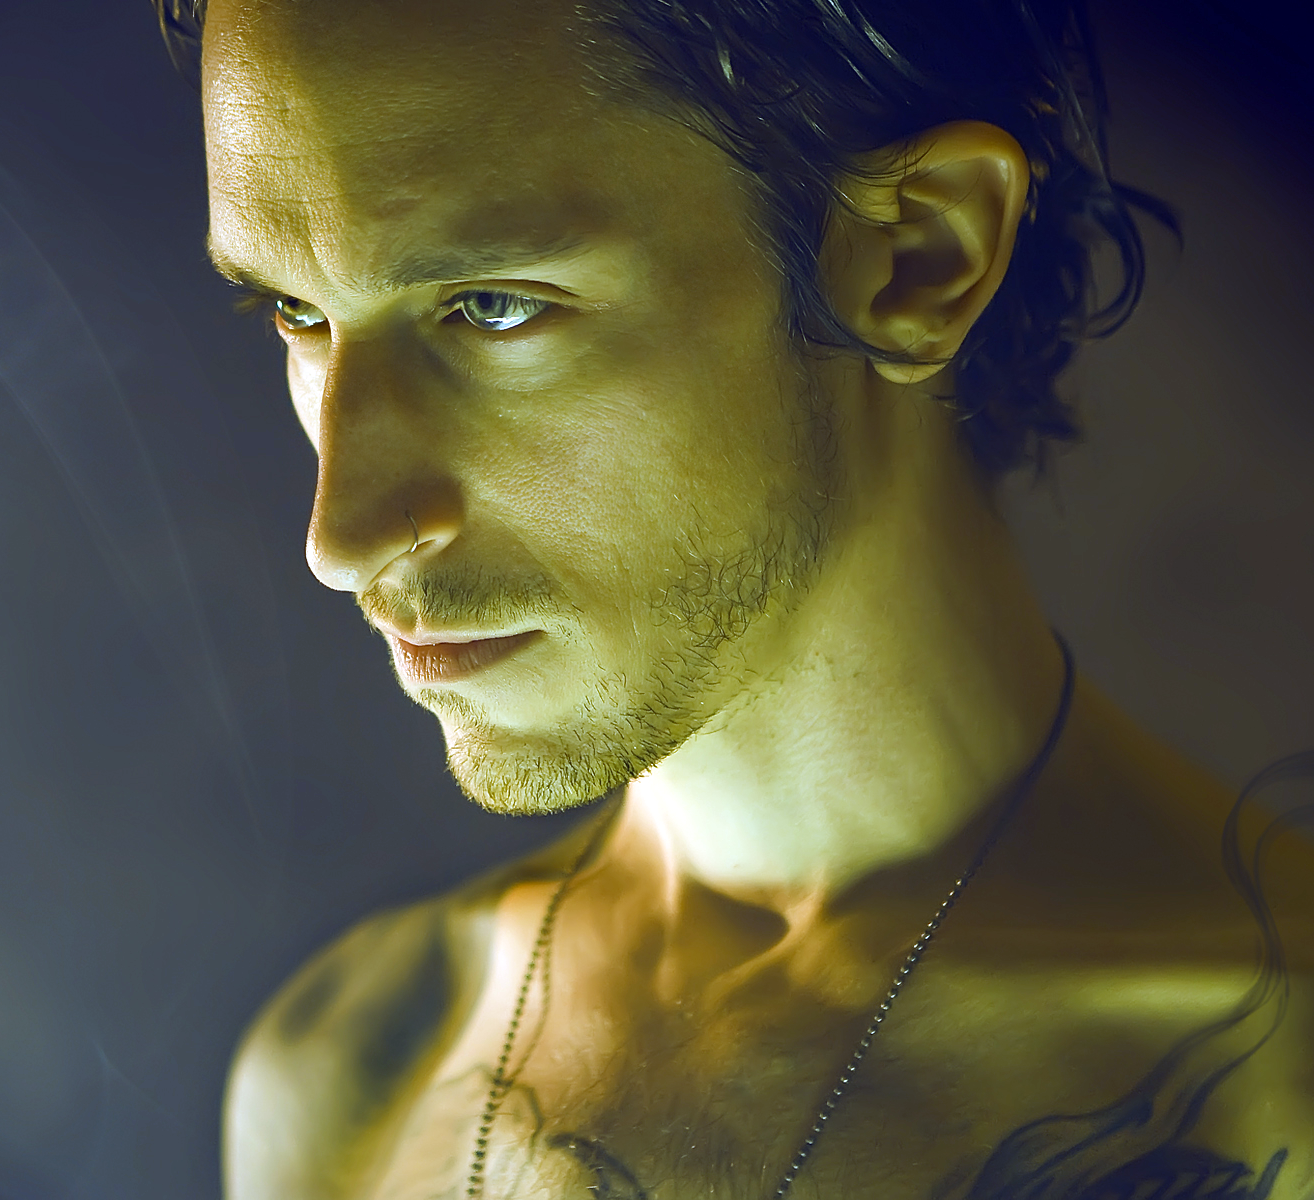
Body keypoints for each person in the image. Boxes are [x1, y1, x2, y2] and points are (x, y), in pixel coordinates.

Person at [154, 0, 1312, 1195]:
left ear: (919, 255)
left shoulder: (1266, 1096)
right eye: (297, 313)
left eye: (494, 306)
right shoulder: (348, 1074)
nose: (342, 536)